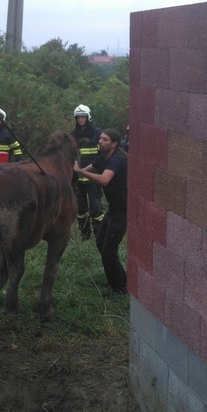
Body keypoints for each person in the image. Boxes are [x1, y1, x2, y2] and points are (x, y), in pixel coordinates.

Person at [73, 128, 128, 295]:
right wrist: (74, 167)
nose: (100, 141)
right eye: (100, 138)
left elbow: (104, 180)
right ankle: (120, 278)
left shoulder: (117, 160)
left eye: (104, 139)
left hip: (122, 212)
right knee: (101, 243)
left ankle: (119, 290)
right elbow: (87, 169)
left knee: (108, 251)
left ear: (114, 144)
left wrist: (80, 171)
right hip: (112, 210)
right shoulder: (103, 158)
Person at [70, 104, 104, 239]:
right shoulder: (72, 135)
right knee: (81, 209)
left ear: (88, 117)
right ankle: (85, 235)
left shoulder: (97, 133)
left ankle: (99, 233)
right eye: (78, 117)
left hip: (93, 178)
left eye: (83, 117)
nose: (80, 119)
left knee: (96, 208)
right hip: (78, 179)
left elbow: (102, 154)